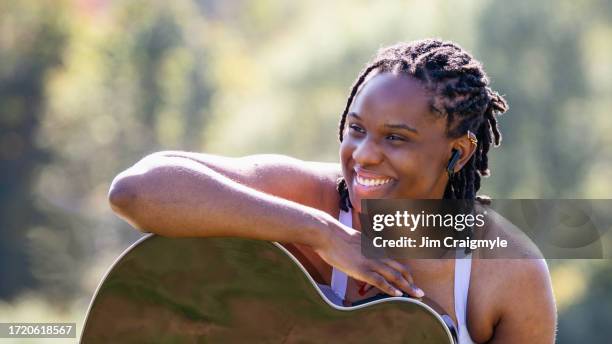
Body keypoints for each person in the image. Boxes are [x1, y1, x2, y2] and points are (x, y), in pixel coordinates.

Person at [108, 38, 556, 343]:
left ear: (458, 152)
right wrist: (321, 234)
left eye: (395, 138)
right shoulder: (308, 198)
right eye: (356, 129)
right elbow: (135, 191)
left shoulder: (506, 270)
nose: (363, 155)